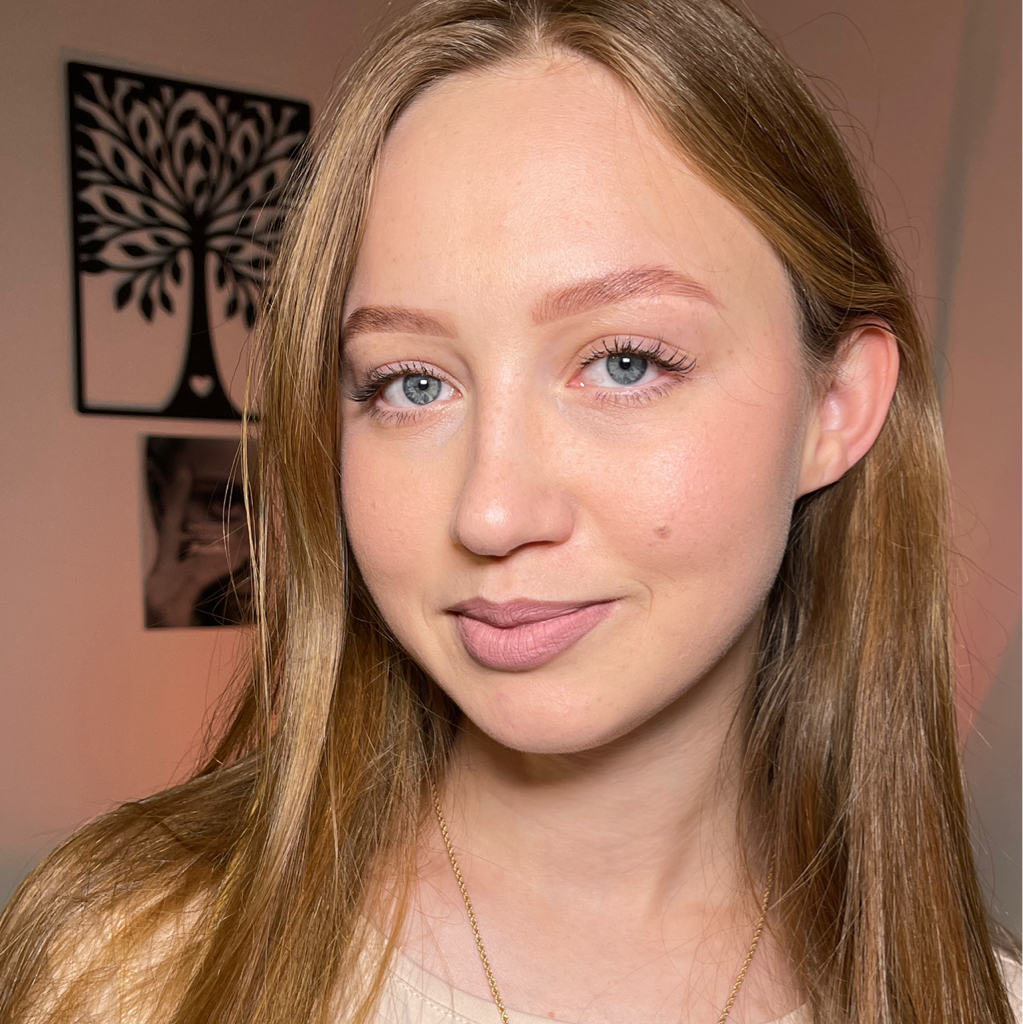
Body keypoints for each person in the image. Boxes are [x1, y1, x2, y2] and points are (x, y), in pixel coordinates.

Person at [0, 1, 1018, 1021]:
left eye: (625, 364)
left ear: (834, 406)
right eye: (410, 383)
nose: (489, 514)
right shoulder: (125, 965)